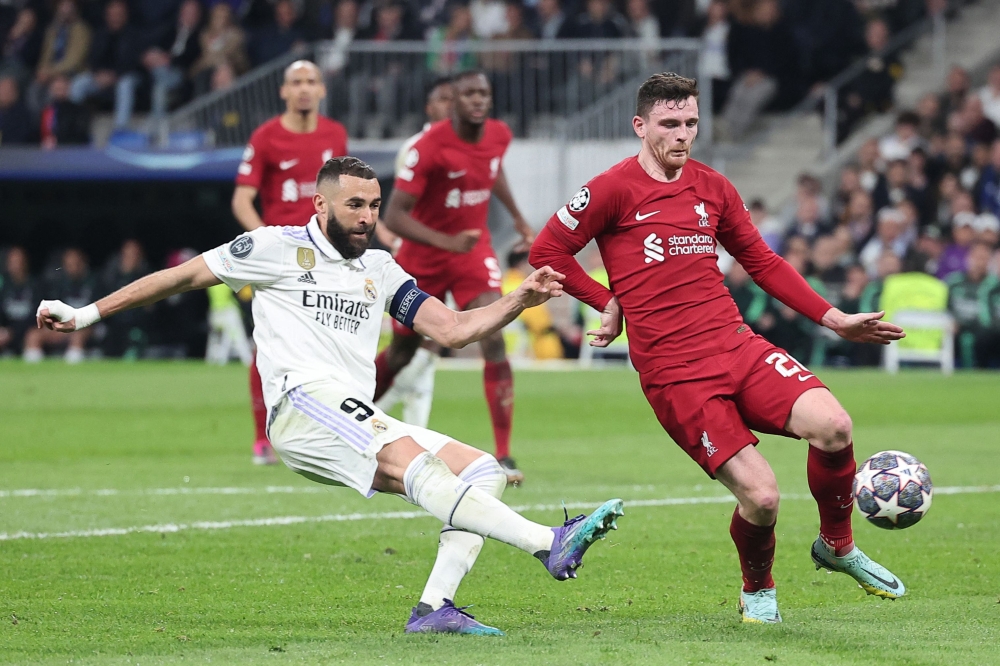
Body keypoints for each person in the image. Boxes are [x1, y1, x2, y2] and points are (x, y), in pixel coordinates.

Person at [36, 155, 625, 636]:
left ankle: (434, 610)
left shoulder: (380, 267)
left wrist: (517, 301)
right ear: (321, 204)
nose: (367, 215)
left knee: (483, 471)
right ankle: (548, 542)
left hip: (353, 410)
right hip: (301, 404)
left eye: (373, 205)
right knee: (416, 465)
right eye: (354, 204)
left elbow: (449, 329)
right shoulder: (272, 247)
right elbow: (181, 277)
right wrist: (86, 313)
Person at [529, 72, 908, 624]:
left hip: (736, 345)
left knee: (835, 426)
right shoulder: (610, 189)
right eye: (669, 124)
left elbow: (763, 262)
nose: (682, 135)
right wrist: (605, 300)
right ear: (640, 126)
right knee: (763, 497)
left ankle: (837, 545)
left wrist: (834, 319)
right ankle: (757, 587)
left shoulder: (713, 186)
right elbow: (548, 250)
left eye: (691, 123)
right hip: (675, 373)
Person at [376, 70, 535, 486]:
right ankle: (347, 421)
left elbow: (492, 169)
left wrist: (518, 218)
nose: (477, 100)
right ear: (453, 102)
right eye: (468, 94)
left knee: (493, 333)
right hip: (426, 255)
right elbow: (394, 215)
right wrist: (447, 242)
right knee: (402, 352)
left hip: (470, 251)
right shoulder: (427, 148)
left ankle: (503, 451)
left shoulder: (498, 135)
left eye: (484, 92)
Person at [232, 59, 348, 466]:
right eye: (296, 82)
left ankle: (325, 427)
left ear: (321, 90)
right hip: (280, 259)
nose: (303, 89)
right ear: (283, 91)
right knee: (267, 346)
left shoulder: (335, 134)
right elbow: (241, 199)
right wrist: (267, 241)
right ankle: (262, 437)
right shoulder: (265, 137)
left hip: (325, 255)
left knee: (328, 342)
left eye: (311, 82)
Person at [374, 75, 454, 429]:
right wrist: (391, 238)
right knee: (408, 346)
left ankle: (412, 428)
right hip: (418, 258)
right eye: (442, 99)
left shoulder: (470, 145)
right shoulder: (416, 147)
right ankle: (369, 406)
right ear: (429, 107)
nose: (449, 105)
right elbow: (394, 205)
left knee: (436, 340)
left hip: (452, 257)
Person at [0, 247, 41, 358]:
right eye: (12, 262)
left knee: (33, 335)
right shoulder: (4, 286)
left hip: (29, 329)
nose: (15, 265)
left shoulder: (36, 286)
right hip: (6, 330)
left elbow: (37, 315)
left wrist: (13, 331)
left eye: (19, 261)